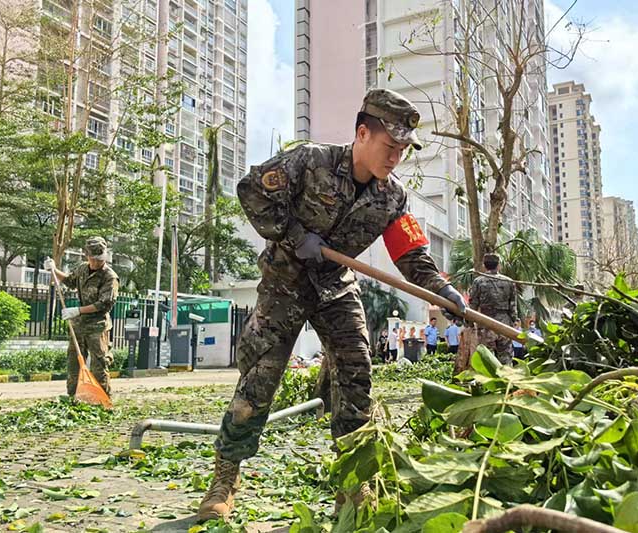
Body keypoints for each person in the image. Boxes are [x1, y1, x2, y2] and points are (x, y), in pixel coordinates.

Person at [198, 88, 467, 522]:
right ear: (363, 133)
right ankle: (224, 479)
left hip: (336, 289)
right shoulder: (309, 161)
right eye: (390, 145)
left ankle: (352, 483)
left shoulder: (392, 197)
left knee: (356, 373)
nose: (396, 157)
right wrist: (292, 234)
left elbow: (412, 256)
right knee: (260, 379)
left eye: (403, 150)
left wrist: (444, 292)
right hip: (286, 283)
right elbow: (251, 190)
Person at [45, 237, 119, 398]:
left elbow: (104, 304)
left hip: (97, 326)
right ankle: (73, 397)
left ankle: (102, 399)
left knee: (99, 364)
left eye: (100, 259)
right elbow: (70, 281)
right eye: (93, 259)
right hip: (79, 326)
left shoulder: (110, 277)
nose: (96, 262)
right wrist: (53, 269)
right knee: (74, 362)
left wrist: (78, 310)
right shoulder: (82, 269)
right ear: (87, 256)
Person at [467, 253, 518, 364]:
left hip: (485, 321)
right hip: (504, 323)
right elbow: (513, 305)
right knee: (505, 357)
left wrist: (470, 322)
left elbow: (473, 304)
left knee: (486, 357)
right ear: (498, 265)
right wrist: (514, 321)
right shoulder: (508, 281)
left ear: (484, 265)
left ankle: (487, 380)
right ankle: (506, 379)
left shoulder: (478, 281)